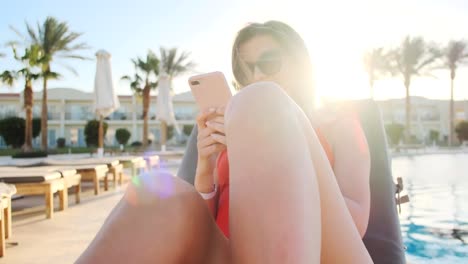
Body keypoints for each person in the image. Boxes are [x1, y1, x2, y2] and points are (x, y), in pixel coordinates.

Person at [77, 21, 373, 264]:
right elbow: (197, 226)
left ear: (299, 64)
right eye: (245, 70)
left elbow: (357, 222)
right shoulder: (234, 131)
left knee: (261, 101)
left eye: (268, 62)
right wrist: (205, 168)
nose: (256, 75)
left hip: (325, 253)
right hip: (228, 253)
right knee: (155, 193)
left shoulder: (337, 122)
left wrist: (278, 159)